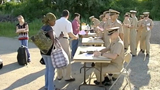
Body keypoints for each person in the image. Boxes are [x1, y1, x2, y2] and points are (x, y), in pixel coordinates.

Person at [53, 10, 78, 82]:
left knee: (59, 57)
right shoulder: (67, 22)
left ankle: (59, 75)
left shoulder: (56, 22)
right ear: (68, 15)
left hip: (56, 40)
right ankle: (67, 76)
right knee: (67, 57)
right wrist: (75, 37)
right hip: (64, 40)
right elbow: (69, 32)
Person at [41, 12, 62, 90]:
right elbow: (53, 40)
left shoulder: (43, 27)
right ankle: (51, 88)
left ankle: (47, 86)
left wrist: (59, 37)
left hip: (43, 50)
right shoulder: (49, 28)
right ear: (50, 21)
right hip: (50, 51)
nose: (55, 22)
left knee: (47, 69)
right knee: (51, 70)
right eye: (54, 21)